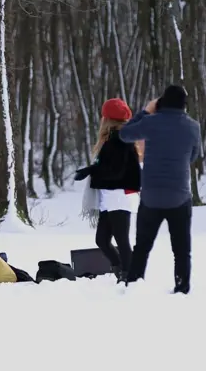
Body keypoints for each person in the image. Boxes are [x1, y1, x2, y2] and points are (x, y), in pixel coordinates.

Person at [118, 85, 200, 294]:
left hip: (151, 197)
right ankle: (182, 287)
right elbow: (193, 156)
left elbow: (125, 134)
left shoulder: (151, 122)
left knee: (142, 247)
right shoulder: (193, 127)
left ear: (161, 102)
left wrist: (146, 111)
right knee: (181, 250)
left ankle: (134, 284)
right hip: (180, 197)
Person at [74, 98, 141, 282]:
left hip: (119, 195)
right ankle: (122, 271)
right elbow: (111, 166)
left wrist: (91, 170)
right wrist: (92, 169)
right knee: (102, 240)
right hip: (110, 196)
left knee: (121, 240)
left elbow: (115, 171)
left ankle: (130, 277)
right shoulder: (114, 139)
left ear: (108, 119)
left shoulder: (119, 139)